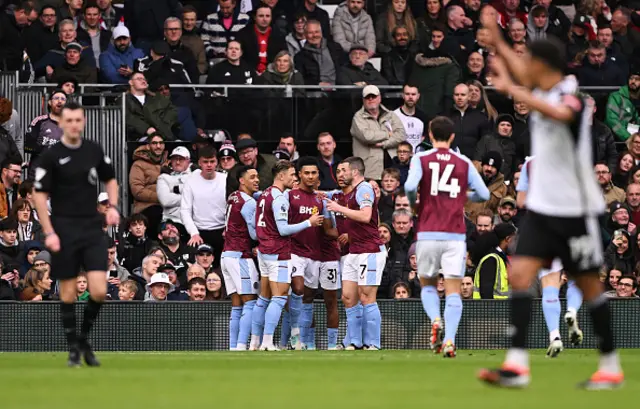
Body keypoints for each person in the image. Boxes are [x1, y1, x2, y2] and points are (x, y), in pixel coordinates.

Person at [478, 12, 622, 389]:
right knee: (522, 275)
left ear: (545, 67)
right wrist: (496, 40)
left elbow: (557, 113)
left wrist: (512, 85)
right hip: (543, 208)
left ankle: (609, 365)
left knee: (589, 286)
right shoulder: (542, 88)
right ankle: (517, 365)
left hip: (576, 210)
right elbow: (522, 78)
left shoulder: (572, 95)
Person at [32, 101, 120, 367]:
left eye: (77, 120)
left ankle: (82, 339)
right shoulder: (50, 155)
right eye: (68, 120)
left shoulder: (93, 150)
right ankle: (74, 348)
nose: (73, 125)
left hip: (92, 228)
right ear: (60, 122)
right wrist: (49, 232)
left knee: (99, 291)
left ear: (83, 122)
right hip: (64, 229)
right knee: (68, 294)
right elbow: (39, 194)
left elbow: (111, 179)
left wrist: (113, 207)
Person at [404, 116, 490, 357]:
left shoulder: (421, 158)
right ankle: (450, 339)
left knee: (428, 284)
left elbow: (410, 187)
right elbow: (483, 193)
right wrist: (463, 197)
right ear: (452, 137)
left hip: (428, 232)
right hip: (455, 235)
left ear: (430, 135)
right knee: (453, 289)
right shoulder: (463, 161)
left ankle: (435, 319)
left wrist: (414, 205)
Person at [249, 161, 323, 351]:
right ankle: (267, 342)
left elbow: (256, 229)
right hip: (278, 252)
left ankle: (254, 342)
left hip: (264, 251)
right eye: (291, 174)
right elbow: (283, 229)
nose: (294, 178)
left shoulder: (264, 194)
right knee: (280, 297)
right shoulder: (280, 198)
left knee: (263, 298)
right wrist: (309, 222)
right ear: (281, 176)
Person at [326, 157, 387, 350]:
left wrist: (338, 208)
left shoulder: (364, 189)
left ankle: (373, 343)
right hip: (354, 251)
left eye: (344, 170)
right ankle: (353, 341)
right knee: (348, 297)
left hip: (369, 250)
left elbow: (365, 215)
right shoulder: (350, 193)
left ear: (354, 172)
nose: (340, 174)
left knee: (367, 296)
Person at [290, 157, 339, 350]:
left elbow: (327, 229)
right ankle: (299, 338)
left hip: (319, 254)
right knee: (300, 290)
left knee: (317, 299)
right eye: (306, 173)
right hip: (295, 251)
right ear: (299, 174)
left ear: (318, 176)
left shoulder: (322, 199)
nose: (310, 177)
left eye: (314, 173)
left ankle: (320, 345)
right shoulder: (289, 196)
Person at [221, 166, 260, 351]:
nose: (257, 180)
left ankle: (233, 347)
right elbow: (254, 234)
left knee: (237, 305)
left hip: (226, 255)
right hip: (240, 256)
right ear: (241, 180)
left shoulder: (233, 196)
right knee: (250, 302)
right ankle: (242, 345)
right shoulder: (249, 203)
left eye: (257, 176)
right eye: (252, 177)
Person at [180, 145, 227, 268]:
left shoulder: (225, 180)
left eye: (212, 161)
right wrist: (193, 233)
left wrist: (229, 228)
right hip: (199, 232)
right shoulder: (190, 181)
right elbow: (185, 210)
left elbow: (232, 207)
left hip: (222, 231)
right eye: (205, 162)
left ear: (217, 162)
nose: (209, 165)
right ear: (199, 162)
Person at [351, 85, 406, 181]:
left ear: (380, 98)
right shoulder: (358, 118)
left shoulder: (390, 114)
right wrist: (387, 134)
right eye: (367, 97)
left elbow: (401, 134)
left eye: (374, 96)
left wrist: (384, 144)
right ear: (363, 100)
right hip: (370, 170)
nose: (371, 99)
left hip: (392, 167)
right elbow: (367, 136)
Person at [393, 84, 429, 152]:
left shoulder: (424, 117)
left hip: (417, 158)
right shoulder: (394, 116)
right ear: (403, 95)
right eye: (407, 94)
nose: (410, 97)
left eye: (413, 94)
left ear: (418, 96)